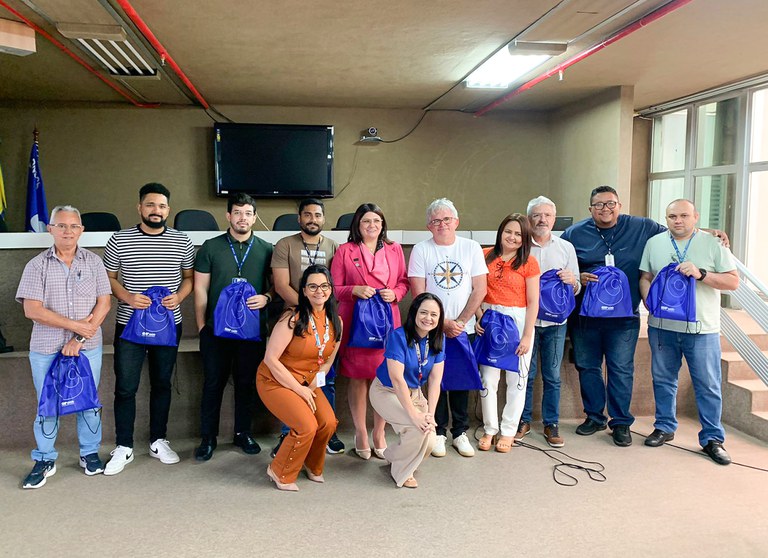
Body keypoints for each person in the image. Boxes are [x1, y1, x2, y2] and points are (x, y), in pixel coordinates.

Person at [560, 186, 666, 447]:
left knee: (621, 369)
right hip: (585, 317)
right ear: (590, 209)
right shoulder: (574, 234)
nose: (605, 209)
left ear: (619, 205)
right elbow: (560, 267)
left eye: (610, 204)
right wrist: (578, 277)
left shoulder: (641, 227)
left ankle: (620, 422)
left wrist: (710, 234)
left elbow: (677, 233)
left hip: (624, 317)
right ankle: (594, 417)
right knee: (588, 367)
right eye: (599, 205)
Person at [15, 205, 112, 488]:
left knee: (88, 402)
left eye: (73, 226)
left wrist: (79, 338)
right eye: (61, 225)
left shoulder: (94, 262)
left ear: (81, 230)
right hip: (46, 348)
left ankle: (89, 453)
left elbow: (104, 303)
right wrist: (75, 326)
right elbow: (32, 310)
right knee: (47, 405)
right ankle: (45, 458)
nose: (68, 231)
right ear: (50, 229)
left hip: (87, 347)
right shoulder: (36, 265)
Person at [102, 183, 195, 474]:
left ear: (168, 209)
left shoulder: (182, 240)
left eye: (162, 206)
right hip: (129, 325)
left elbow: (189, 277)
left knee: (162, 383)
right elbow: (108, 277)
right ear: (139, 207)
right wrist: (128, 297)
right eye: (151, 205)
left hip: (168, 325)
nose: (156, 210)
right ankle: (124, 446)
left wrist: (179, 297)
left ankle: (158, 440)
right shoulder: (119, 239)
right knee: (125, 386)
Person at [639, 199, 738, 465]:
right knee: (663, 379)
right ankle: (664, 427)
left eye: (684, 215)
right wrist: (649, 301)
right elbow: (645, 277)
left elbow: (733, 281)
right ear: (666, 219)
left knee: (707, 384)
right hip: (662, 327)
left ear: (696, 217)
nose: (678, 221)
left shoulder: (713, 243)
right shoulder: (655, 243)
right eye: (672, 216)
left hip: (702, 328)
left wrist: (701, 274)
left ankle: (712, 438)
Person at [193, 193, 274, 461]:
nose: (242, 218)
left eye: (248, 213)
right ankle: (208, 437)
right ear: (228, 215)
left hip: (251, 332)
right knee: (212, 384)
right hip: (216, 331)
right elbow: (200, 289)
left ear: (254, 217)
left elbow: (276, 285)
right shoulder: (210, 247)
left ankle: (242, 433)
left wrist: (267, 297)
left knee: (246, 383)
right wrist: (202, 326)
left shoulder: (266, 248)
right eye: (237, 212)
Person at [408, 198, 487, 458]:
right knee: (435, 379)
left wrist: (460, 322)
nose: (442, 224)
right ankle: (439, 431)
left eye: (446, 219)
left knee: (461, 380)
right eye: (435, 221)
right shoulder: (421, 250)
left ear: (456, 222)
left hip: (464, 328)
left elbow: (480, 288)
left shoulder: (471, 247)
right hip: (432, 328)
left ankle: (460, 432)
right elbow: (419, 293)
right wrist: (441, 323)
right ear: (428, 226)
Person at [331, 203, 409, 459]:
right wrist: (354, 289)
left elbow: (404, 282)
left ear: (382, 224)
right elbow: (334, 288)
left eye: (376, 220)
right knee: (357, 377)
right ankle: (361, 432)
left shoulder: (395, 249)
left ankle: (379, 432)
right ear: (358, 224)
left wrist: (395, 293)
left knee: (384, 378)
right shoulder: (345, 250)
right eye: (366, 221)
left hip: (386, 322)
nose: (371, 225)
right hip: (356, 321)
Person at [257, 265, 342, 491]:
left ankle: (311, 463)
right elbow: (270, 359)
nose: (319, 291)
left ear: (331, 289)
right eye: (312, 286)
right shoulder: (292, 317)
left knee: (328, 423)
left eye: (324, 286)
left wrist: (313, 384)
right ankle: (279, 471)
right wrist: (300, 389)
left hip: (306, 381)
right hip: (275, 380)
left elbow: (327, 361)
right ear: (303, 291)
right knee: (306, 425)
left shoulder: (336, 321)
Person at [271, 198, 344, 455]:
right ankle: (288, 433)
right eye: (307, 215)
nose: (313, 219)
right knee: (291, 379)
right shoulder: (285, 245)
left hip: (326, 322)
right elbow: (281, 285)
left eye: (317, 215)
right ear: (299, 218)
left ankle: (328, 432)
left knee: (326, 378)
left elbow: (334, 286)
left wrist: (319, 311)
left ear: (324, 219)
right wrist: (308, 310)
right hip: (296, 322)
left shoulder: (334, 246)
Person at [517, 196, 580, 448]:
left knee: (553, 376)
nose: (542, 220)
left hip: (555, 324)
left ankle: (551, 423)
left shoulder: (566, 248)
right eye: (537, 215)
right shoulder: (520, 245)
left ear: (554, 219)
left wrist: (572, 281)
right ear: (529, 219)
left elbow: (577, 286)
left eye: (547, 215)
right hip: (526, 322)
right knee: (526, 374)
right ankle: (522, 420)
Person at [476, 214, 540, 453]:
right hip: (490, 318)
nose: (512, 237)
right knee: (488, 379)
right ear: (500, 232)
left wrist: (527, 335)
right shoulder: (484, 255)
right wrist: (478, 316)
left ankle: (509, 431)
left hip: (518, 320)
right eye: (508, 231)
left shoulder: (529, 262)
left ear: (525, 238)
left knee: (517, 379)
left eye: (518, 234)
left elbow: (533, 302)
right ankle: (490, 428)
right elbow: (476, 290)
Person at [369, 293, 445, 488]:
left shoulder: (438, 338)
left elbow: (435, 380)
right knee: (416, 429)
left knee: (429, 437)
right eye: (424, 313)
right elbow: (397, 379)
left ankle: (392, 455)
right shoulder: (398, 336)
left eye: (434, 315)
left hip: (415, 392)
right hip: (386, 391)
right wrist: (414, 415)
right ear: (414, 313)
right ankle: (402, 471)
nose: (428, 318)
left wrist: (430, 414)